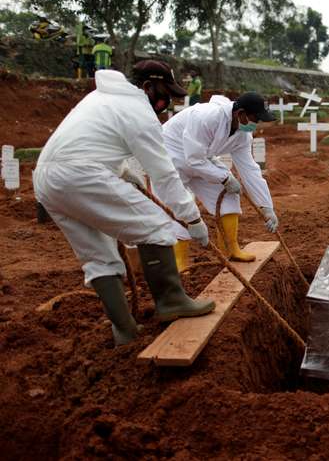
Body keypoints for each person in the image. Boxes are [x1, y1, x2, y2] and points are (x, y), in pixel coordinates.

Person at [33, 60, 215, 346]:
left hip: (47, 179)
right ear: (147, 87)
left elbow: (93, 142)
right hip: (82, 174)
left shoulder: (100, 98)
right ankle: (171, 301)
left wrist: (122, 173)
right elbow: (164, 172)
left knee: (98, 256)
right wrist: (192, 219)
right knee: (155, 225)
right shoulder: (138, 111)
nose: (167, 102)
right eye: (165, 93)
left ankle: (125, 330)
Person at [162, 92, 278, 272]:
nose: (256, 124)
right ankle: (179, 261)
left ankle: (231, 249)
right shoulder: (205, 117)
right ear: (240, 114)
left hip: (202, 159)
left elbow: (250, 169)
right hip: (172, 156)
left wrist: (266, 206)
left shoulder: (242, 135)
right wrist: (224, 177)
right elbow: (193, 159)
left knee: (228, 196)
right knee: (180, 206)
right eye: (255, 119)